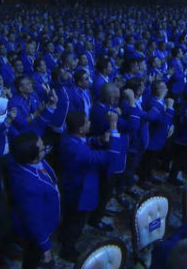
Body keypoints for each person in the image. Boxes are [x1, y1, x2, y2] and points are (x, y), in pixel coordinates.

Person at [58, 110, 124, 262]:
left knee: (70, 218)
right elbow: (111, 156)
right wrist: (113, 127)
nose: (90, 123)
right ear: (81, 129)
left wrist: (99, 140)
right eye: (87, 122)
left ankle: (63, 236)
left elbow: (84, 141)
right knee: (77, 222)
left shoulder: (69, 136)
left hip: (72, 185)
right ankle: (68, 250)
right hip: (81, 191)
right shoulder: (78, 151)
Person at [8, 132, 60, 268]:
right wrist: (45, 247)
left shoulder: (23, 157)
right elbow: (34, 220)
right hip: (34, 232)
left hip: (45, 209)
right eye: (43, 147)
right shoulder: (28, 186)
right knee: (33, 257)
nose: (45, 146)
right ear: (34, 158)